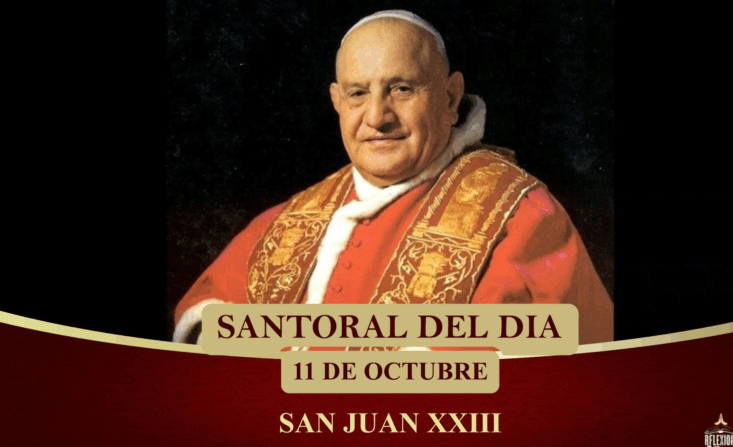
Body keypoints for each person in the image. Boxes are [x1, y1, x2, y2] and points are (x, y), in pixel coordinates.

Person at [172, 10, 613, 347]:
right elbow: (204, 321)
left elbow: (553, 369)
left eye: (401, 89)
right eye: (358, 93)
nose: (377, 117)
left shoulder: (522, 215)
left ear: (450, 98)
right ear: (336, 101)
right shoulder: (288, 218)